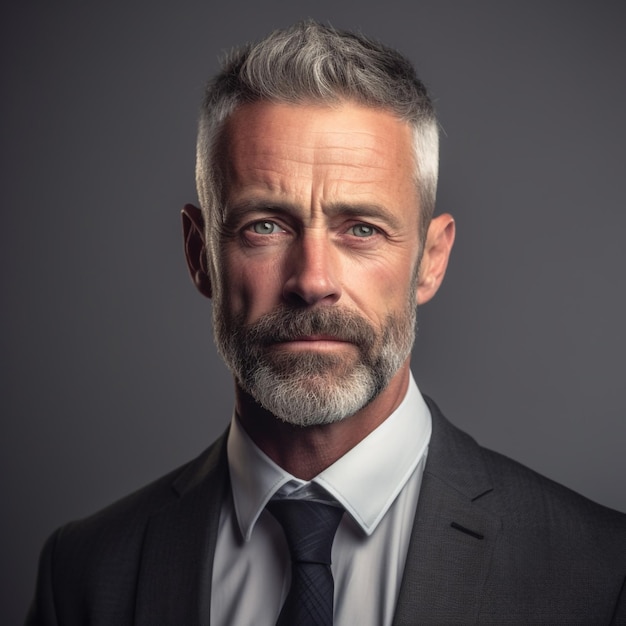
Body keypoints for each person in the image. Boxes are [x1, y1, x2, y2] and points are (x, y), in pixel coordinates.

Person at [26, 20, 626, 625]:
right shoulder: (83, 575)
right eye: (265, 225)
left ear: (431, 260)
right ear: (198, 254)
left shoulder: (603, 575)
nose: (312, 281)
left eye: (361, 229)